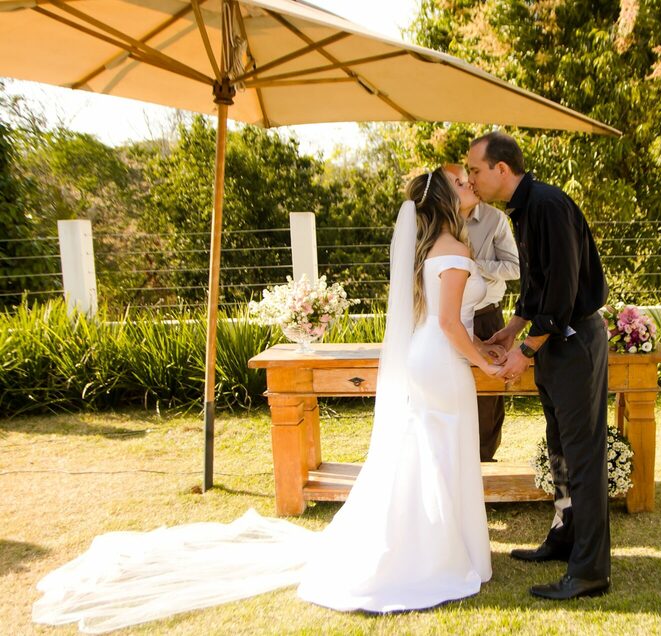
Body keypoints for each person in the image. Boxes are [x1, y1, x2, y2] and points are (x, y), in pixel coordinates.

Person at [32, 169, 501, 632]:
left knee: (427, 452)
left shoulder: (429, 249)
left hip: (429, 358)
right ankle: (436, 553)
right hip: (442, 361)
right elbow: (448, 323)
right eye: (460, 181)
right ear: (442, 198)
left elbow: (443, 320)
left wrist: (481, 350)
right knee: (441, 452)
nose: (469, 184)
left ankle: (427, 543)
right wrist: (486, 363)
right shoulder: (455, 249)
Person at [467, 131, 611, 601]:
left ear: (502, 169)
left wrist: (524, 352)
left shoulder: (547, 206)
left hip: (575, 342)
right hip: (554, 343)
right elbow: (536, 287)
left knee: (584, 455)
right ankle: (564, 537)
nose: (470, 178)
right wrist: (512, 330)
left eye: (474, 170)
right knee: (560, 450)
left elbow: (564, 292)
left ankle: (589, 570)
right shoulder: (523, 211)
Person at [443, 162, 520, 462]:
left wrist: (474, 266)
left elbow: (514, 267)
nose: (470, 183)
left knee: (488, 398)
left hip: (486, 316)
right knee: (451, 392)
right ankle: (455, 461)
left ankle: (485, 461)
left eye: (468, 178)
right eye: (461, 181)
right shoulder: (436, 226)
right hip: (446, 320)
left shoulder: (495, 220)